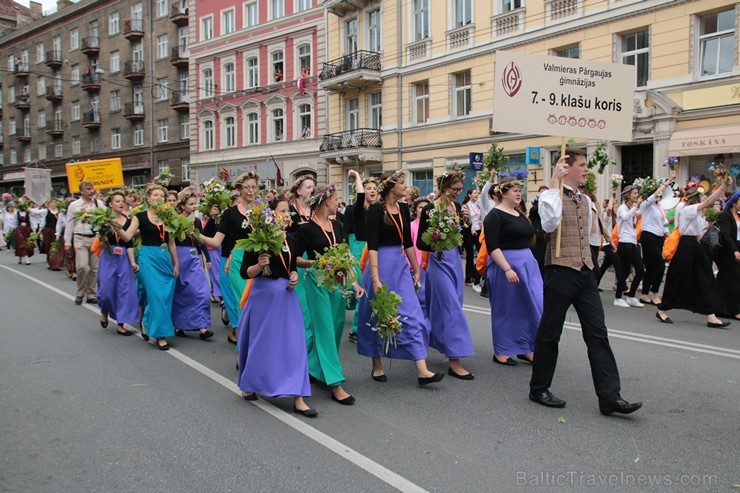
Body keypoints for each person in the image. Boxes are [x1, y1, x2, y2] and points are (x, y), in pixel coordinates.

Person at [529, 148, 642, 416]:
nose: (587, 169)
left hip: (584, 271)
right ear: (567, 168)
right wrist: (555, 183)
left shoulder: (586, 199)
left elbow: (592, 233)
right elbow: (549, 225)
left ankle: (610, 397)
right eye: (582, 165)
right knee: (550, 333)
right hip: (559, 271)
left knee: (597, 334)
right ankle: (538, 388)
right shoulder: (548, 196)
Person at [357, 170, 445, 385]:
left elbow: (407, 242)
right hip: (381, 266)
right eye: (402, 183)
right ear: (390, 186)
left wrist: (416, 269)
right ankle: (376, 364)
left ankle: (422, 370)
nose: (405, 187)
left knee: (412, 315)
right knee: (378, 315)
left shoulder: (404, 209)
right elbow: (373, 246)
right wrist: (376, 278)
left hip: (400, 266)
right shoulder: (376, 211)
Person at [237, 196, 317, 417]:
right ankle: (250, 383)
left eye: (288, 211)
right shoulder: (256, 238)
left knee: (294, 343)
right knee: (262, 343)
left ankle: (299, 397)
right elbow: (245, 272)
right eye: (282, 211)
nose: (287, 215)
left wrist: (294, 275)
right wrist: (258, 264)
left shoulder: (291, 239)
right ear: (271, 214)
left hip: (287, 296)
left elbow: (292, 266)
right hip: (264, 296)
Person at [297, 184, 364, 405]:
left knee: (335, 327)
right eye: (336, 199)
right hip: (316, 281)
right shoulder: (306, 229)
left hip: (338, 280)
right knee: (324, 328)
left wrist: (353, 283)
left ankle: (315, 368)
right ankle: (335, 383)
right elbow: (295, 259)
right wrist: (316, 262)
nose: (338, 202)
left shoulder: (338, 225)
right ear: (326, 201)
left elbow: (344, 256)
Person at [416, 168, 476, 380]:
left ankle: (430, 340)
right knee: (452, 309)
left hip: (455, 263)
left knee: (453, 306)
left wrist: (467, 224)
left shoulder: (457, 206)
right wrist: (435, 243)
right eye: (454, 189)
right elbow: (420, 242)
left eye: (460, 189)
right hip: (439, 262)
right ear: (443, 187)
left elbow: (463, 240)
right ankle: (455, 360)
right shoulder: (431, 209)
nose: (457, 193)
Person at [484, 177, 542, 366]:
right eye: (514, 190)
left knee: (531, 306)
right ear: (503, 193)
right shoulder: (494, 216)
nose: (519, 193)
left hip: (527, 265)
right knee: (507, 309)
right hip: (507, 266)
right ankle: (502, 350)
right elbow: (493, 246)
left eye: (519, 190)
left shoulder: (519, 213)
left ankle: (526, 347)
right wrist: (507, 269)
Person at [656, 182, 730, 328]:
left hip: (696, 246)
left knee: (706, 278)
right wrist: (721, 188)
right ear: (695, 197)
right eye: (702, 195)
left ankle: (711, 315)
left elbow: (702, 228)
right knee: (677, 277)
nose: (705, 198)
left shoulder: (696, 214)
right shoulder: (688, 209)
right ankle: (663, 309)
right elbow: (709, 202)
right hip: (686, 246)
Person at [198, 171, 260, 345]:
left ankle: (247, 343)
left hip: (255, 265)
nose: (251, 191)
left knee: (254, 305)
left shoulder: (261, 213)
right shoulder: (230, 214)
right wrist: (197, 235)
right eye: (247, 187)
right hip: (233, 263)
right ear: (239, 189)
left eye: (254, 187)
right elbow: (216, 242)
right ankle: (243, 349)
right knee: (241, 304)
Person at [118, 185, 180, 350]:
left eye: (162, 195)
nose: (159, 198)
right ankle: (160, 335)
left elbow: (172, 243)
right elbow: (127, 236)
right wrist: (115, 226)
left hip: (164, 259)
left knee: (165, 296)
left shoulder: (168, 216)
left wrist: (176, 264)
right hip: (148, 258)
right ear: (148, 199)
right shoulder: (140, 216)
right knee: (156, 295)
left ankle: (146, 320)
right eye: (155, 195)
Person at [172, 192, 213, 340]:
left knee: (201, 291)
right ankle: (179, 325)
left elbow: (200, 242)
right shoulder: (175, 220)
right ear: (182, 205)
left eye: (195, 203)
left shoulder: (196, 221)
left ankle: (202, 326)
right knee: (182, 292)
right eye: (191, 204)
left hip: (194, 256)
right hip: (179, 256)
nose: (194, 206)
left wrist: (207, 258)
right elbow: (171, 242)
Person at [96, 191, 138, 336]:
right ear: (110, 204)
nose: (121, 203)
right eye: (118, 201)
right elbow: (100, 242)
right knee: (106, 289)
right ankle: (104, 311)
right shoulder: (103, 220)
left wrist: (132, 262)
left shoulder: (127, 221)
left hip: (124, 257)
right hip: (109, 255)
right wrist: (103, 239)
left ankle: (121, 324)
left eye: (122, 201)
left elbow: (129, 243)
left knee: (124, 291)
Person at [345, 171, 378, 343]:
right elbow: (359, 195)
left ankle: (370, 325)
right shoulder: (354, 209)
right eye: (368, 188)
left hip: (373, 249)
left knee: (373, 287)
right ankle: (356, 330)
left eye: (374, 188)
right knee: (362, 289)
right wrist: (356, 176)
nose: (372, 191)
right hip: (357, 248)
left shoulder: (377, 209)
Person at [638, 172, 676, 305]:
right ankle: (654, 293)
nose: (659, 195)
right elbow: (654, 195)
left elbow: (664, 224)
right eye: (656, 192)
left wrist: (671, 237)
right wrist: (669, 181)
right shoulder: (646, 205)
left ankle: (644, 293)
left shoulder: (659, 207)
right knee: (660, 265)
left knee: (651, 267)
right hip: (648, 237)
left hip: (658, 238)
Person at [65, 182, 104, 305]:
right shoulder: (74, 206)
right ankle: (80, 292)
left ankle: (91, 294)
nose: (91, 191)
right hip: (80, 238)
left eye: (92, 188)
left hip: (95, 238)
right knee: (82, 266)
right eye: (88, 189)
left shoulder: (98, 204)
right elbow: (69, 223)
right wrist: (67, 241)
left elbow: (105, 218)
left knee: (94, 269)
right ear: (81, 191)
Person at [614, 184, 645, 308]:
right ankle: (618, 297)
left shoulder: (631, 208)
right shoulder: (622, 208)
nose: (637, 195)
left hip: (632, 242)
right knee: (625, 271)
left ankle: (631, 296)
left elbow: (637, 213)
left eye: (637, 193)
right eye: (635, 193)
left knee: (640, 270)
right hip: (625, 242)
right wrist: (636, 206)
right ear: (628, 195)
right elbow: (626, 218)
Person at [715, 191, 740, 320]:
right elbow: (726, 235)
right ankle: (733, 309)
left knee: (725, 280)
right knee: (734, 278)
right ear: (734, 203)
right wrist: (734, 250)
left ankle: (720, 307)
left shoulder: (739, 216)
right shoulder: (725, 215)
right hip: (727, 251)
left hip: (737, 248)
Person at [410, 197, 430, 312]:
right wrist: (412, 267)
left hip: (428, 267)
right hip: (415, 267)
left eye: (425, 208)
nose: (423, 210)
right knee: (418, 299)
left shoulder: (432, 227)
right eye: (420, 207)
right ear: (415, 210)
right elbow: (408, 247)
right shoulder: (411, 226)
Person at [462, 188, 483, 292]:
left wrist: (481, 222)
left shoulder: (478, 205)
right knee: (470, 256)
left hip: (478, 232)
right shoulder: (466, 206)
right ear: (469, 195)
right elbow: (464, 221)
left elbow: (479, 217)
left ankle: (476, 274)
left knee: (481, 255)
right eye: (474, 193)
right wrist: (471, 229)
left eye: (477, 193)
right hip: (470, 232)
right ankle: (468, 278)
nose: (476, 195)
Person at [201, 204, 223, 304]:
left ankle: (216, 292)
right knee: (216, 273)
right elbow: (205, 235)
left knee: (220, 272)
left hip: (223, 248)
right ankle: (221, 295)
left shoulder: (224, 217)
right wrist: (212, 218)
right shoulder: (207, 221)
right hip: (212, 248)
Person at [42, 199, 64, 271]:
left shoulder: (59, 212)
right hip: (48, 230)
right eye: (51, 203)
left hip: (56, 230)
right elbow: (43, 221)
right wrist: (40, 230)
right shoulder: (46, 211)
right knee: (48, 246)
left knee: (56, 246)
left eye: (54, 203)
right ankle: (49, 261)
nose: (53, 204)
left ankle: (56, 264)